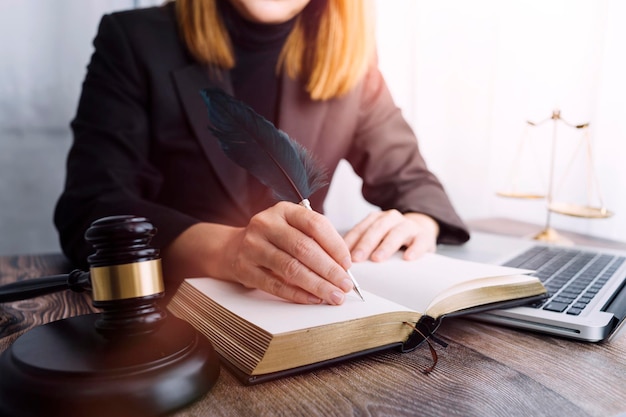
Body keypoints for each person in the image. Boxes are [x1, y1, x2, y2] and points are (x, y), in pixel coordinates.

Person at [54, 0, 470, 307]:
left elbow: (412, 181)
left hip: (299, 317)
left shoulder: (350, 57)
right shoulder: (134, 40)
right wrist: (225, 250)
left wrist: (419, 221)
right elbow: (90, 208)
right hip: (165, 317)